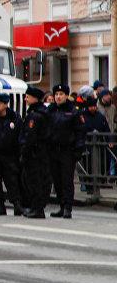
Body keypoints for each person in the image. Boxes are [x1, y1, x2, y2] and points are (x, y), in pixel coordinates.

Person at [46, 84, 85, 219]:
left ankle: (68, 207)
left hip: (67, 151)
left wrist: (78, 150)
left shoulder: (73, 111)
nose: (58, 97)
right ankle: (62, 206)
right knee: (57, 180)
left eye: (61, 94)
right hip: (53, 150)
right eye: (56, 94)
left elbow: (80, 132)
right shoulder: (50, 110)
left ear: (66, 96)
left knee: (67, 180)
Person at [19, 87, 50, 218]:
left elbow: (30, 136)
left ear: (35, 98)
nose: (25, 99)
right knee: (33, 181)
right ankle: (35, 207)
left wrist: (24, 152)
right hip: (38, 152)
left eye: (28, 97)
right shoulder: (38, 112)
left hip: (34, 154)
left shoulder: (35, 115)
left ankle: (37, 209)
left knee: (34, 182)